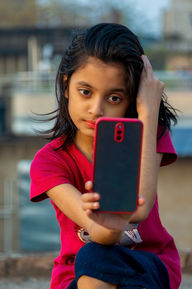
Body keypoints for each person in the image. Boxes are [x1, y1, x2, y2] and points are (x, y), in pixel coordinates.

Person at [30, 23, 181, 289]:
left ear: (132, 99)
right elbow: (100, 234)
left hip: (148, 264)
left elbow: (139, 208)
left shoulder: (150, 134)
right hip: (81, 272)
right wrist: (108, 223)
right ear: (66, 87)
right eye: (85, 92)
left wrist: (147, 114)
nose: (95, 109)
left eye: (113, 98)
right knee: (93, 257)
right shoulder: (50, 162)